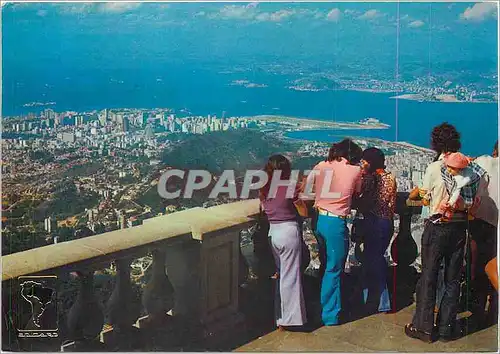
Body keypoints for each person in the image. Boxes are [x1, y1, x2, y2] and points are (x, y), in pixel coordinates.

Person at [404, 123, 468, 343]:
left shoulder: (434, 168)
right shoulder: (467, 167)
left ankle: (423, 328)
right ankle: (446, 328)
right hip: (460, 227)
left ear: (436, 143)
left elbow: (422, 195)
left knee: (429, 275)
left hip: (437, 226)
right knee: (453, 279)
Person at [305, 138, 363, 325]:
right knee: (334, 269)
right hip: (336, 223)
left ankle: (320, 306)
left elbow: (306, 189)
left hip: (318, 219)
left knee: (325, 264)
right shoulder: (355, 170)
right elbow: (358, 193)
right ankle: (330, 315)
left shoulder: (321, 165)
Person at [259, 154, 307, 330]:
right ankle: (292, 320)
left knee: (281, 275)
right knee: (291, 277)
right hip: (288, 231)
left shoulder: (264, 188)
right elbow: (303, 212)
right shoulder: (289, 186)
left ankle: (279, 318)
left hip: (273, 233)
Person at [359, 147, 397, 314]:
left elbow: (366, 201)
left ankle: (375, 302)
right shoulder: (391, 177)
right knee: (377, 260)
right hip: (387, 223)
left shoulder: (372, 179)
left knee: (371, 262)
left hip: (373, 223)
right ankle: (379, 302)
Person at [468, 141, 499, 326]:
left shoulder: (486, 162)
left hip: (483, 225)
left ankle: (478, 311)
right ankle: (494, 310)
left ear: (494, 150)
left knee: (480, 268)